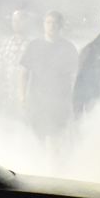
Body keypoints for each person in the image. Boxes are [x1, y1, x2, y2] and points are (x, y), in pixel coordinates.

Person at [18, 11, 77, 145]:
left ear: (61, 26)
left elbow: (74, 75)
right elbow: (23, 73)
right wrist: (22, 97)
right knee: (37, 138)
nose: (51, 26)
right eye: (48, 22)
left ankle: (53, 164)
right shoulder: (34, 46)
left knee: (55, 139)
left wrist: (73, 100)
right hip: (37, 101)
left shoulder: (68, 47)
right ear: (43, 25)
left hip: (59, 102)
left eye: (55, 23)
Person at [0, 10, 33, 115]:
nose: (16, 24)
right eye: (14, 21)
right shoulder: (6, 43)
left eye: (20, 21)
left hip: (26, 95)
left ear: (26, 22)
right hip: (8, 94)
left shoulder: (32, 44)